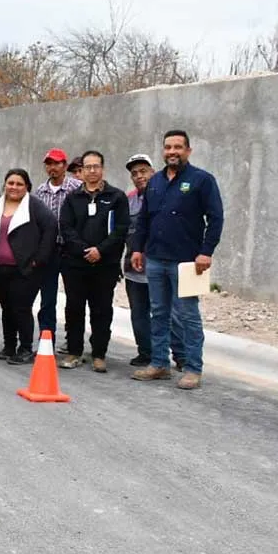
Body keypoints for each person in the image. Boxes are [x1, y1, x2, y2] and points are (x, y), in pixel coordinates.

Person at [131, 130, 224, 390]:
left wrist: (206, 252)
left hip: (188, 263)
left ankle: (193, 368)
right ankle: (160, 363)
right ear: (163, 151)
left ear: (188, 151)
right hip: (156, 260)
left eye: (178, 147)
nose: (172, 151)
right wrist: (138, 249)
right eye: (168, 147)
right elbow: (145, 220)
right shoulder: (156, 182)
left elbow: (215, 219)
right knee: (158, 313)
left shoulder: (202, 180)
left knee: (188, 315)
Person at [57, 150, 130, 373]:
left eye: (95, 166)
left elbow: (121, 229)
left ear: (102, 169)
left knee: (101, 310)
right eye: (87, 167)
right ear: (81, 171)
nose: (91, 171)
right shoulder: (72, 199)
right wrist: (83, 250)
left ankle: (99, 354)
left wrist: (100, 250)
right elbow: (66, 228)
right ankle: (74, 351)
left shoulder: (116, 197)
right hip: (75, 265)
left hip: (105, 265)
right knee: (74, 309)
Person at [123, 153, 184, 369]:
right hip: (134, 268)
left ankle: (181, 355)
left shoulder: (168, 195)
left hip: (164, 266)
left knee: (170, 313)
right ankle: (147, 353)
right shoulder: (128, 200)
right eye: (134, 173)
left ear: (153, 172)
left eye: (143, 171)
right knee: (139, 314)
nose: (139, 176)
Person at [0, 169, 57, 364]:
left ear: (27, 186)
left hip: (25, 268)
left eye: (19, 184)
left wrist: (40, 258)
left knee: (21, 308)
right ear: (5, 184)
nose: (14, 187)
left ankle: (25, 348)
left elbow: (51, 226)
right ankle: (9, 345)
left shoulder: (34, 205)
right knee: (6, 307)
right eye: (10, 183)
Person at [32, 148, 83, 349]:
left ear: (64, 165)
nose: (53, 167)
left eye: (57, 163)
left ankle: (73, 343)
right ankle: (46, 342)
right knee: (47, 300)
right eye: (49, 163)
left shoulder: (77, 188)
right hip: (49, 251)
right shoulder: (39, 192)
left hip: (72, 250)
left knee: (75, 300)